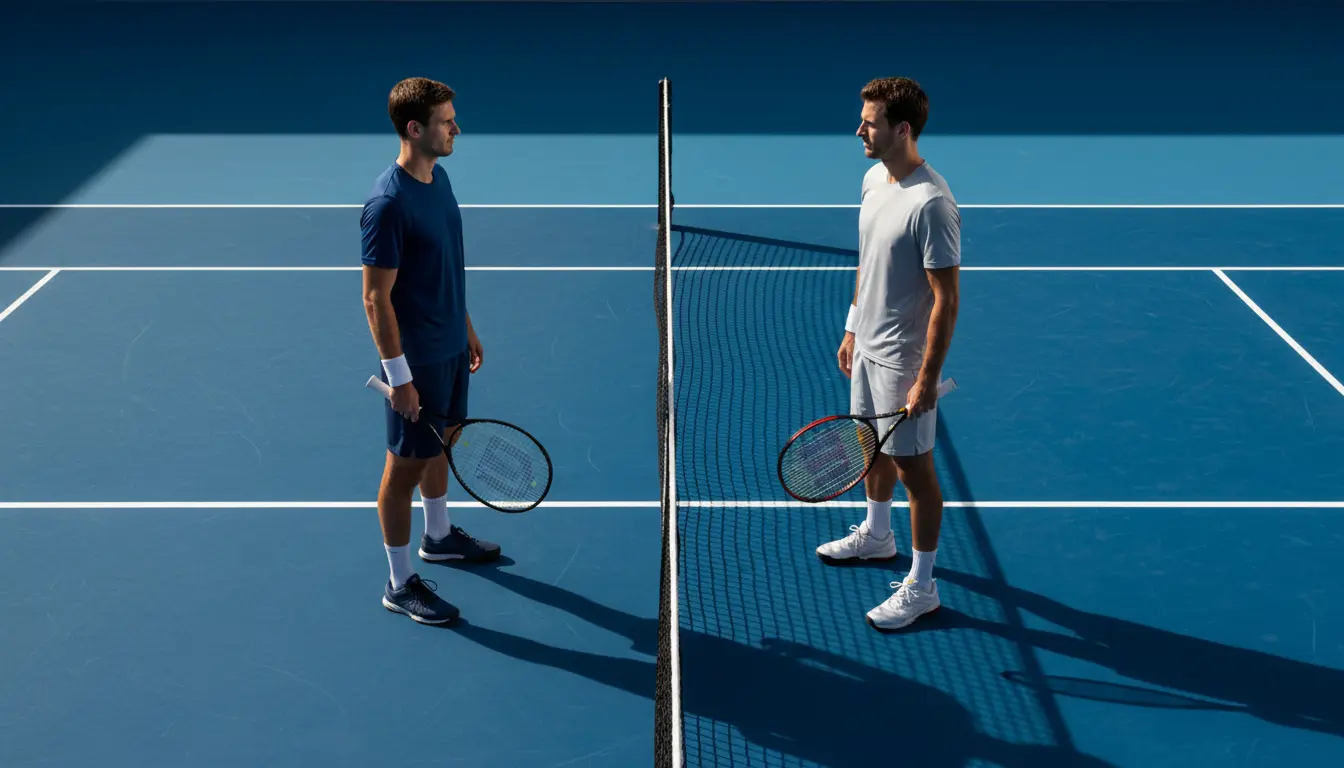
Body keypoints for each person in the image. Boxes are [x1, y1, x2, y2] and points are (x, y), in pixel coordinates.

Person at [816, 76, 961, 632]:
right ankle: (878, 536)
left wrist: (926, 377)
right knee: (867, 444)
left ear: (902, 129)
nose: (859, 131)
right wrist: (852, 328)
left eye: (869, 123)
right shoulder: (874, 179)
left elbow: (946, 300)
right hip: (867, 345)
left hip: (903, 359)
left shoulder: (932, 205)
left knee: (914, 471)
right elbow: (867, 259)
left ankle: (923, 587)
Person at [361, 77, 501, 626]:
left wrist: (465, 325)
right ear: (415, 129)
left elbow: (444, 264)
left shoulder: (438, 179)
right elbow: (376, 298)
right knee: (404, 469)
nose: (456, 129)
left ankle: (438, 536)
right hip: (415, 359)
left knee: (445, 441)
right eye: (446, 121)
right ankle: (399, 584)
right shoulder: (388, 204)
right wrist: (399, 378)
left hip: (449, 346)